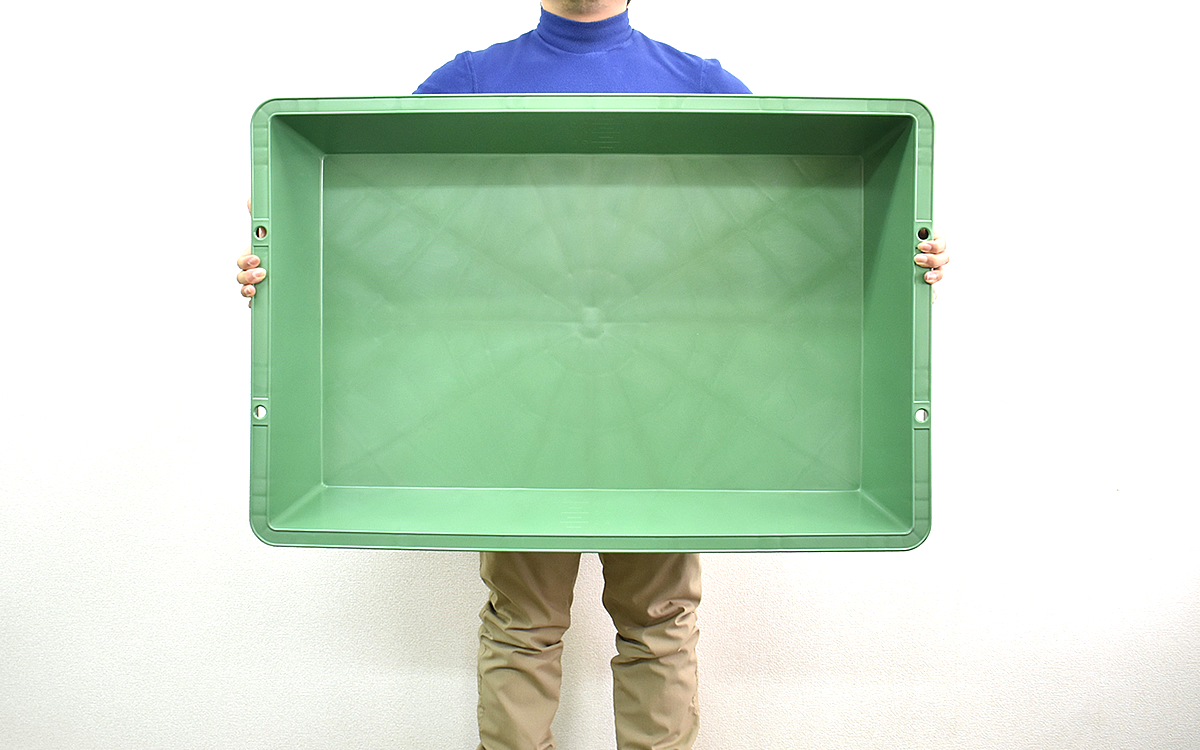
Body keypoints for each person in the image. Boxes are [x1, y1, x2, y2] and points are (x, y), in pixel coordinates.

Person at [235, 2, 949, 748]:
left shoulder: (702, 87)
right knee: (522, 625)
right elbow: (378, 221)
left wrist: (905, 246)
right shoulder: (472, 82)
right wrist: (275, 251)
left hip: (666, 424)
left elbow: (793, 233)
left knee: (658, 626)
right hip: (517, 420)